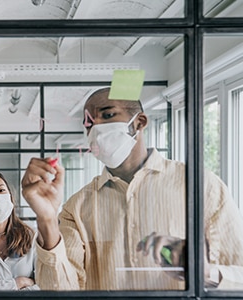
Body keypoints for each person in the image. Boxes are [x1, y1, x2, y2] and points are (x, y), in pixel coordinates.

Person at [21, 87, 243, 290]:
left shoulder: (200, 186)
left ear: (140, 122)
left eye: (108, 115)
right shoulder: (77, 208)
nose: (96, 128)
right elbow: (59, 291)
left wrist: (206, 273)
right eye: (89, 123)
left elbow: (239, 273)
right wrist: (47, 220)